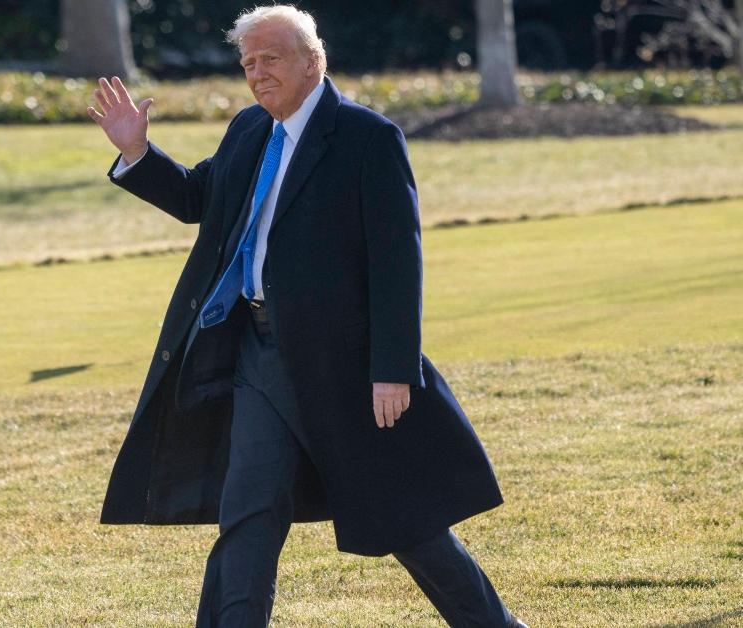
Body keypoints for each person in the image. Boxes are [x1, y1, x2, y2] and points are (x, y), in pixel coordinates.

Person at [87, 6, 527, 627]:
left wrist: (393, 369)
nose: (257, 74)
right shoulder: (248, 131)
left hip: (341, 365)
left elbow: (398, 262)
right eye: (247, 64)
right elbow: (198, 200)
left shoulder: (366, 138)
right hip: (257, 354)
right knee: (248, 511)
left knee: (404, 519)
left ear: (313, 59)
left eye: (271, 59)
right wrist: (137, 151)